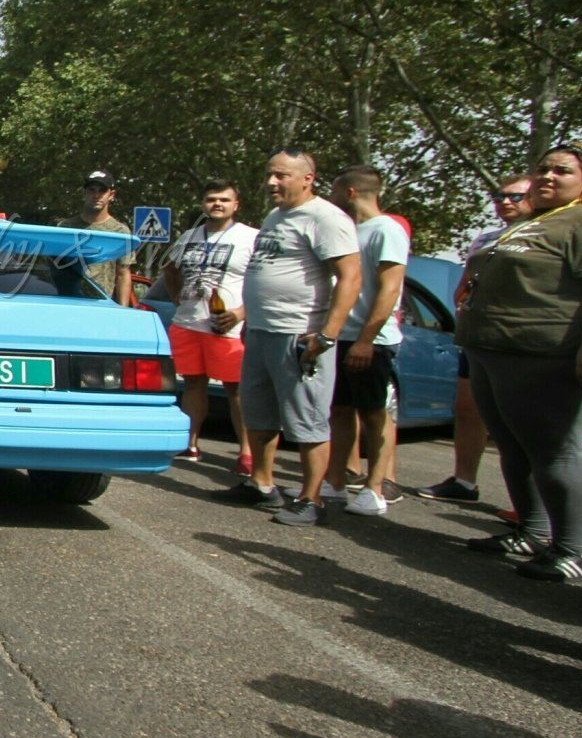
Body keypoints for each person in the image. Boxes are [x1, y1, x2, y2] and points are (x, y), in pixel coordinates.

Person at [455, 143, 582, 581]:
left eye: (563, 172)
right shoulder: (532, 223)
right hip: (491, 348)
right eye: (543, 170)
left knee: (555, 451)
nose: (549, 177)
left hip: (541, 353)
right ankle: (531, 532)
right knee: (512, 444)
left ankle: (575, 548)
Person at [221, 148, 361, 526]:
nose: (271, 182)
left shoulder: (326, 218)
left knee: (307, 420)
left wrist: (327, 335)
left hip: (299, 335)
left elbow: (350, 277)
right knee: (260, 412)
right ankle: (263, 484)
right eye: (270, 174)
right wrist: (247, 315)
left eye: (281, 175)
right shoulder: (276, 215)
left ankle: (310, 499)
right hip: (263, 331)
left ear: (307, 178)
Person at [412, 175, 533, 502]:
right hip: (478, 337)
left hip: (523, 342)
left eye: (516, 196)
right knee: (468, 408)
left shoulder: (547, 237)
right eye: (499, 195)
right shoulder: (486, 240)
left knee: (522, 419)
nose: (505, 202)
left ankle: (532, 503)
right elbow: (465, 286)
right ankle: (465, 482)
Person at [319, 165, 409, 517]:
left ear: (350, 192)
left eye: (335, 191)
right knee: (340, 411)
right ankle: (336, 482)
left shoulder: (387, 230)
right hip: (342, 336)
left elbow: (389, 289)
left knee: (375, 414)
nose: (331, 198)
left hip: (372, 341)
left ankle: (375, 489)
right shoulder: (353, 232)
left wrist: (366, 340)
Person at [161, 181, 258, 473]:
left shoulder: (251, 237)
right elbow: (169, 268)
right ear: (203, 203)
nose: (217, 204)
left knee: (236, 389)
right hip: (188, 322)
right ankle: (190, 444)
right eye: (211, 199)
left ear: (236, 204)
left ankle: (247, 453)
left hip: (226, 326)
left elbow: (266, 283)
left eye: (224, 200)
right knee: (192, 382)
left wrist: (242, 313)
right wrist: (177, 296)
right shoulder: (189, 237)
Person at [57, 170, 135, 305]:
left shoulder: (120, 231)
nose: (96, 195)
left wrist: (123, 311)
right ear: (84, 193)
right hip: (67, 301)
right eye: (91, 190)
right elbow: (53, 268)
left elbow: (123, 273)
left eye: (102, 191)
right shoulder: (65, 228)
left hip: (101, 304)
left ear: (111, 195)